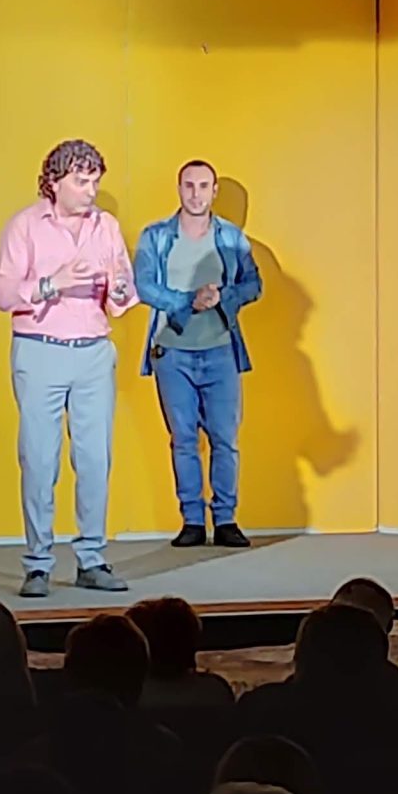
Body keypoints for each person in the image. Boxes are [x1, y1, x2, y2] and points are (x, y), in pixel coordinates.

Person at [0, 139, 138, 597]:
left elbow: (123, 294)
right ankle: (38, 564)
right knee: (39, 460)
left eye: (95, 181)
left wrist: (119, 290)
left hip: (93, 352)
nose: (91, 190)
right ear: (54, 182)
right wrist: (53, 283)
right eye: (81, 181)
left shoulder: (107, 226)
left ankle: (92, 559)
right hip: (40, 350)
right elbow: (3, 294)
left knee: (95, 459)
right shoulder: (25, 226)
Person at [133, 160, 261, 548]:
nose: (196, 193)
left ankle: (225, 520)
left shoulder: (231, 237)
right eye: (189, 185)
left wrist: (223, 296)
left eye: (203, 186)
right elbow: (144, 286)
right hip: (172, 352)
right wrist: (189, 300)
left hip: (220, 350)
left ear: (214, 191)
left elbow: (254, 284)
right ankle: (191, 520)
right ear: (179, 189)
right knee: (183, 439)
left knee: (225, 439)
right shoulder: (156, 236)